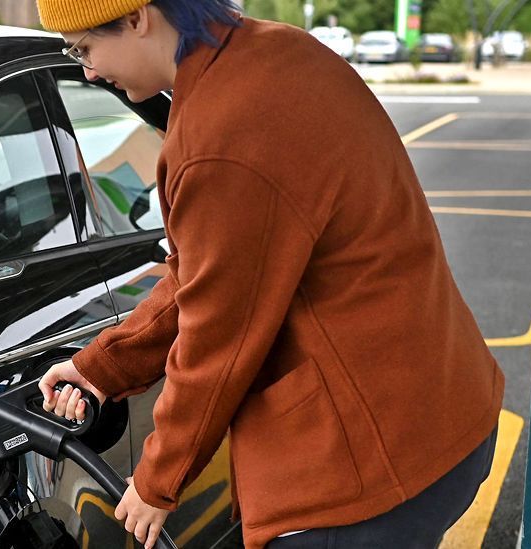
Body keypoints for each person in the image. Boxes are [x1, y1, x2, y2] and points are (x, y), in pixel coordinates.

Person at [34, 1, 505, 548]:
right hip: (439, 414)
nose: (88, 70)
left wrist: (159, 478)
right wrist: (103, 368)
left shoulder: (219, 135)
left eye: (84, 47)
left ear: (138, 18)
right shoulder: (284, 50)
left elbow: (219, 336)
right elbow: (207, 274)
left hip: (362, 477)